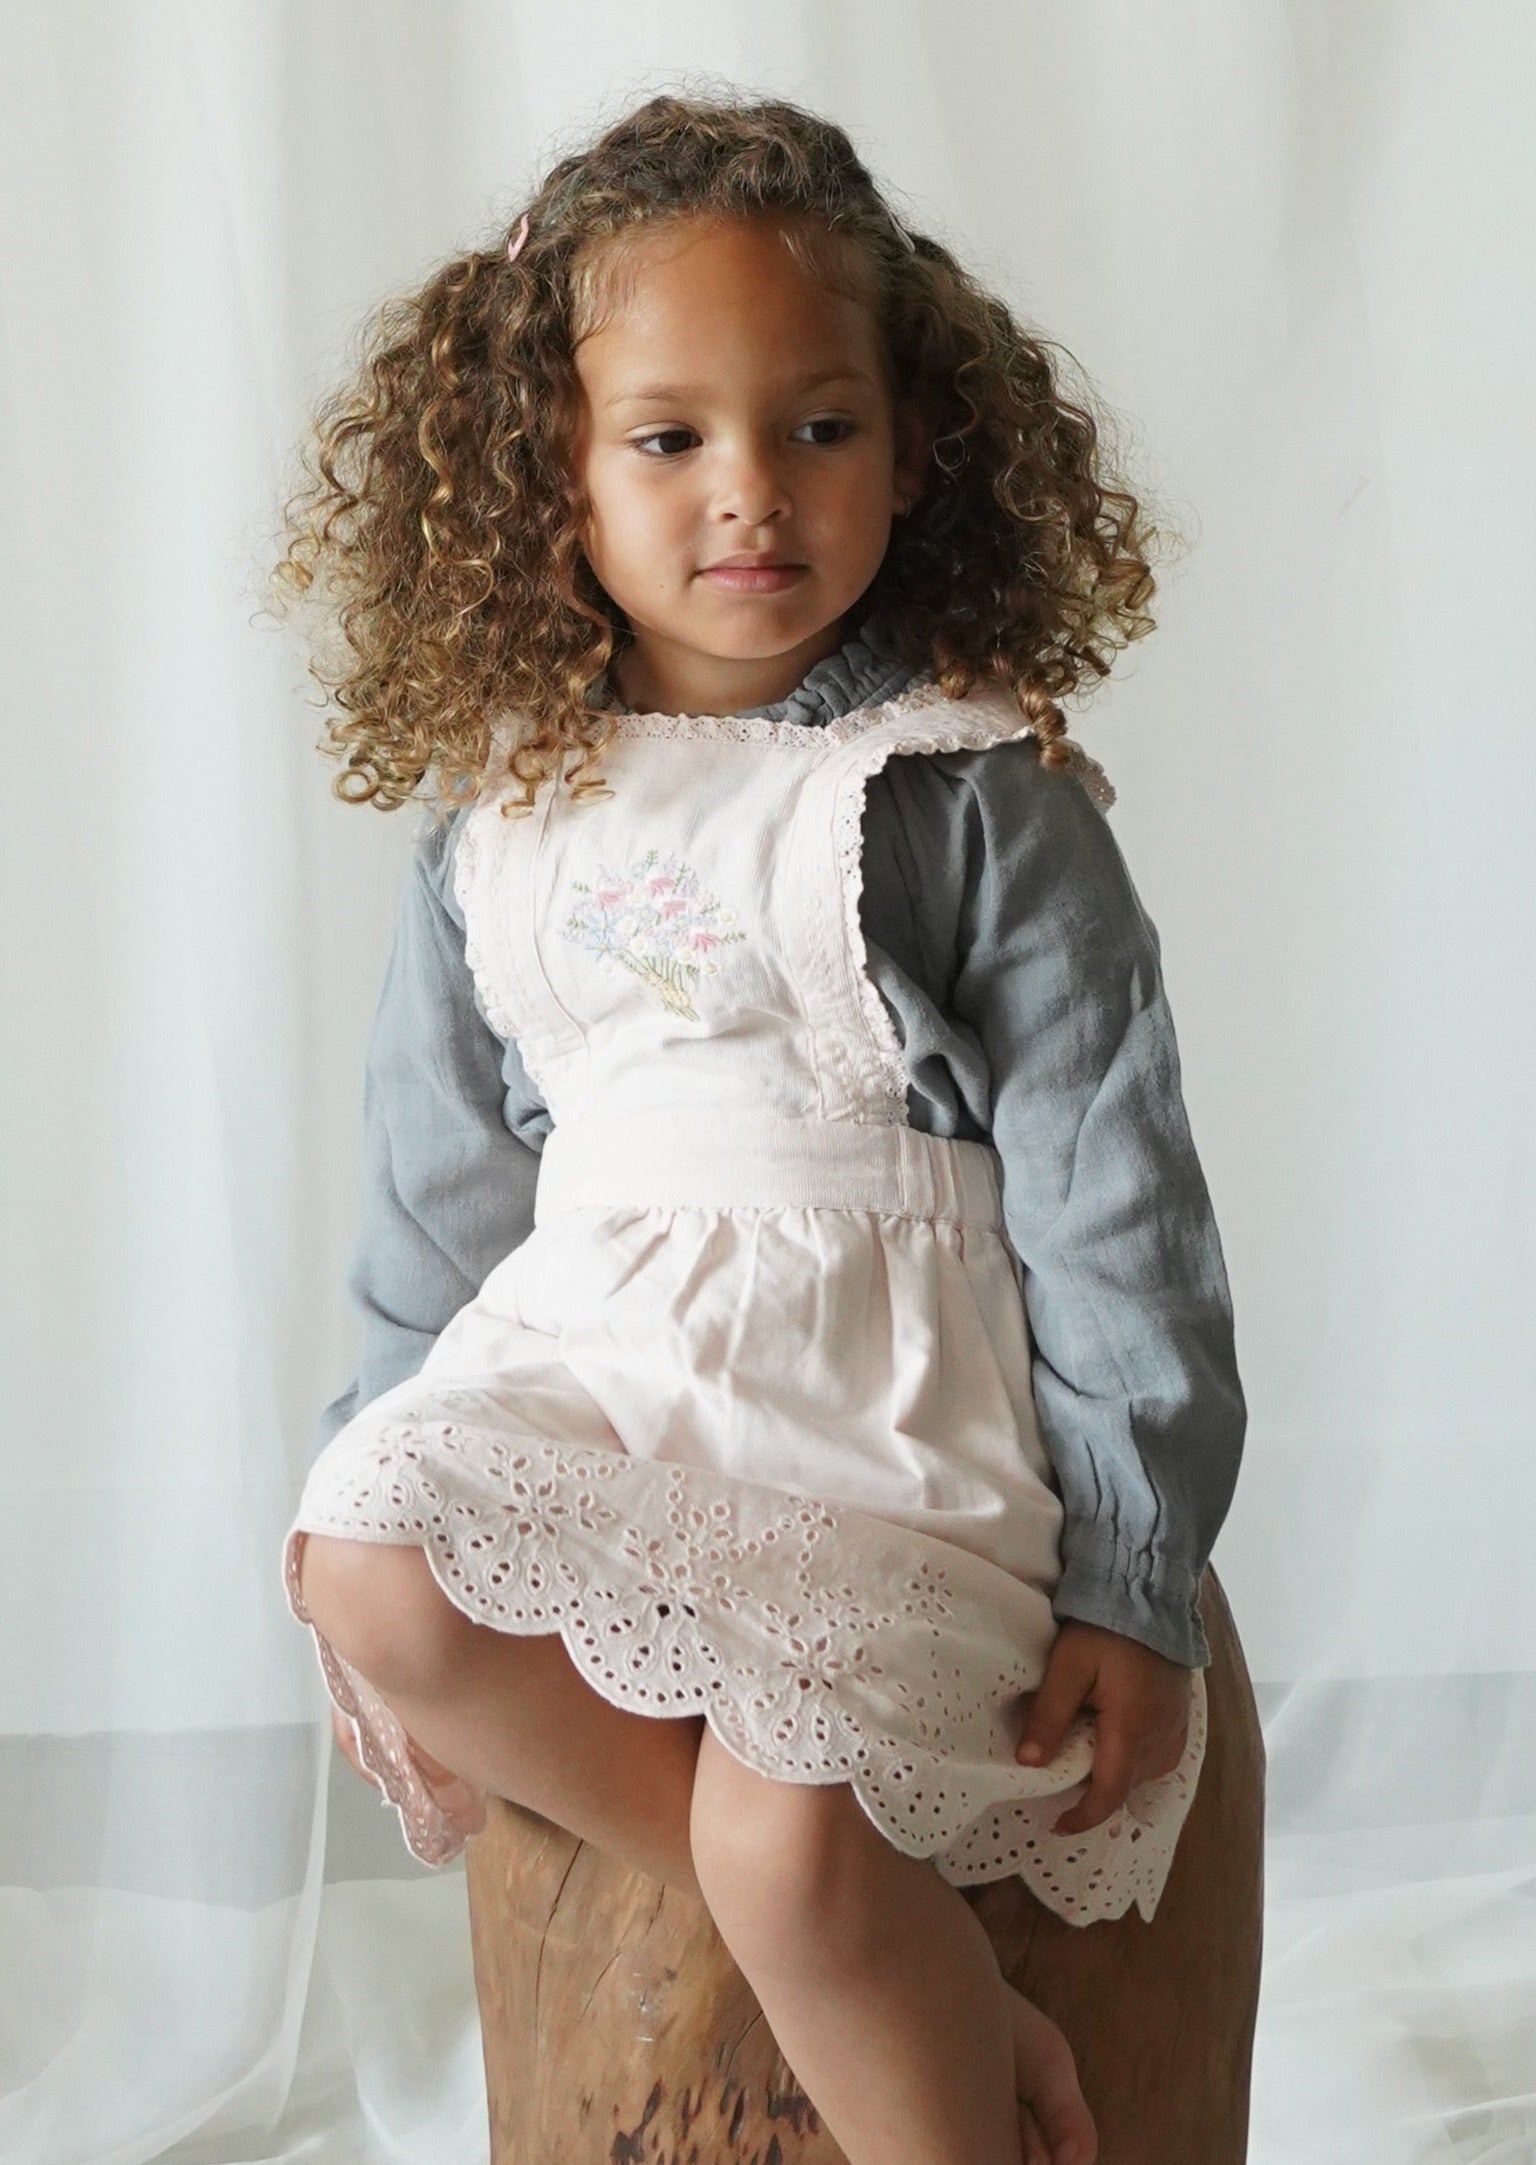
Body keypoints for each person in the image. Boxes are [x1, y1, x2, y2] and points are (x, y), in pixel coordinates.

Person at [270, 89, 1246, 2165]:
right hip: (612, 1403)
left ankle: (884, 1978)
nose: (751, 492)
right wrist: (393, 1440)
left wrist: (1135, 1564)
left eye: (819, 426)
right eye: (668, 438)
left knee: (791, 1835)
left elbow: (1118, 1191)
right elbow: (438, 1199)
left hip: (879, 1434)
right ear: (548, 468)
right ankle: (931, 1965)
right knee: (361, 1566)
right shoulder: (501, 819)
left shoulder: (970, 792)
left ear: (918, 446)